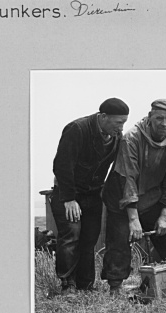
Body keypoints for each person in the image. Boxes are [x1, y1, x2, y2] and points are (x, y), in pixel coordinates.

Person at [101, 99, 166, 294]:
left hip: (152, 199)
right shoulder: (131, 138)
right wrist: (133, 219)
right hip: (121, 200)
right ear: (150, 118)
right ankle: (115, 287)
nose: (164, 124)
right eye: (159, 118)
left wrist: (165, 215)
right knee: (119, 240)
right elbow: (128, 178)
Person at [50, 98, 129, 293]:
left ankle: (85, 286)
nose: (121, 128)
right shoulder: (77, 129)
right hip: (69, 194)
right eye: (118, 122)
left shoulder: (116, 137)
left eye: (124, 123)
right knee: (71, 236)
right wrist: (68, 199)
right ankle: (67, 285)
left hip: (93, 195)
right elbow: (61, 165)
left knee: (89, 239)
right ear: (103, 117)